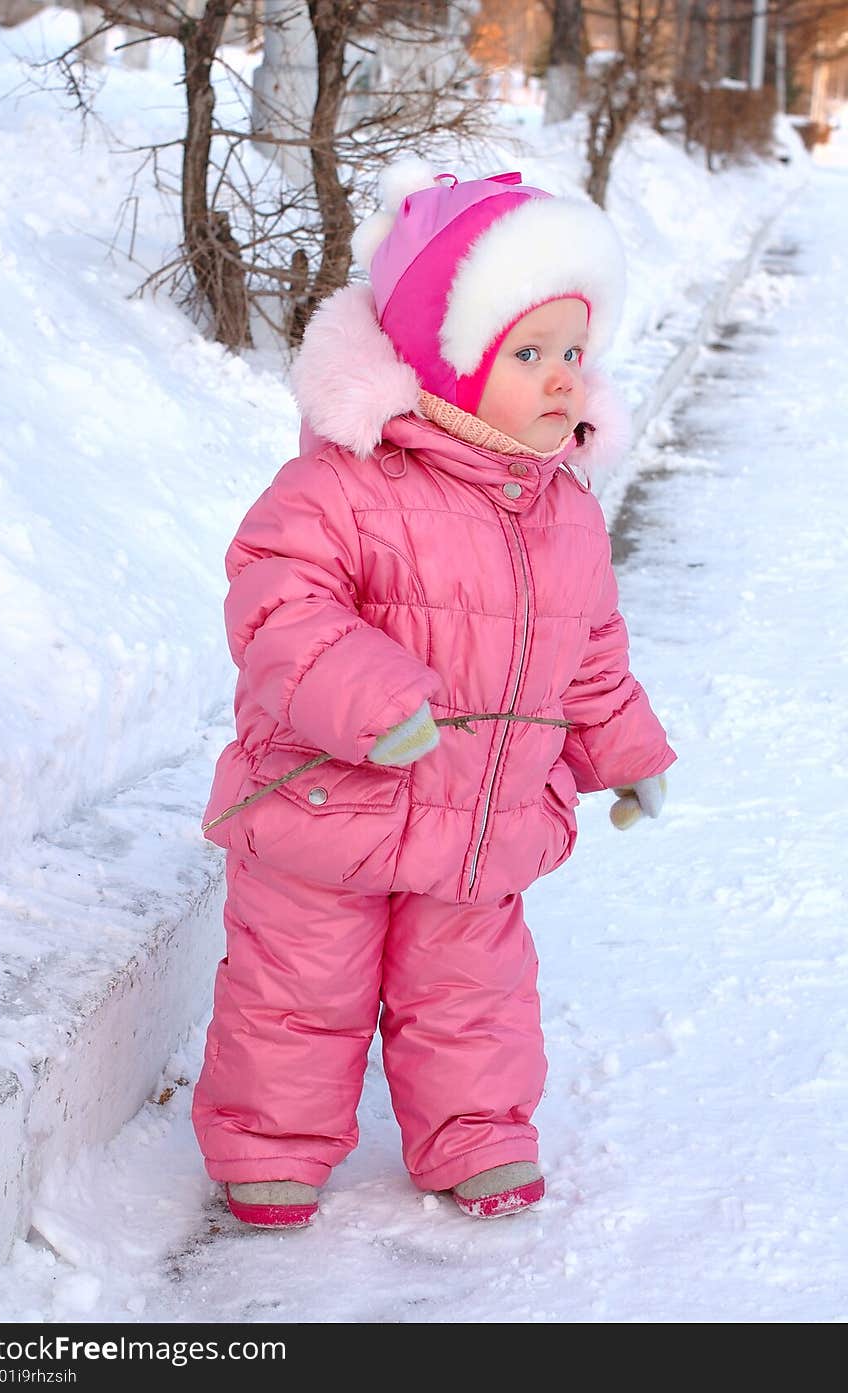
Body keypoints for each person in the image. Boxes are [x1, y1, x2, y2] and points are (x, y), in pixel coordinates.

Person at [192, 161, 676, 1229]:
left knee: (470, 998)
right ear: (449, 363)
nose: (562, 378)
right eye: (529, 353)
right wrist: (372, 698)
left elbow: (587, 650)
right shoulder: (342, 484)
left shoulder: (565, 512)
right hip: (332, 805)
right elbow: (279, 606)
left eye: (572, 353)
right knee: (297, 993)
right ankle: (272, 1145)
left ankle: (480, 1134)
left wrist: (626, 752)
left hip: (480, 824)